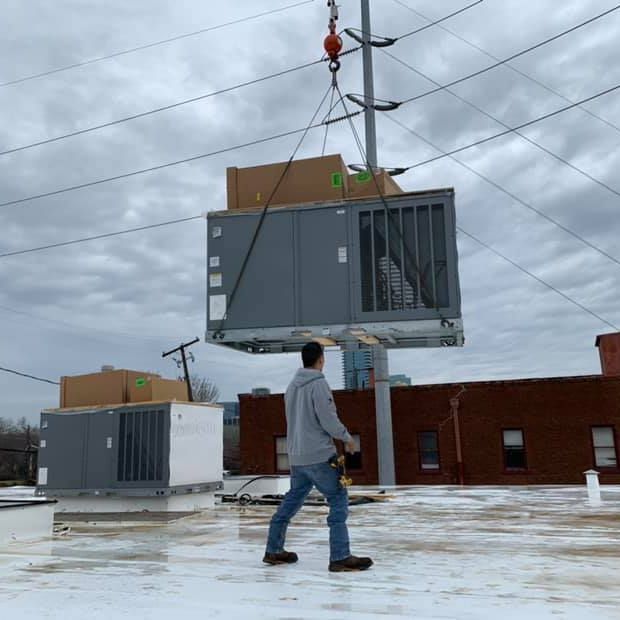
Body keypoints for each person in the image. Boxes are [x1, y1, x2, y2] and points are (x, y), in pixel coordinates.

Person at [263, 342, 373, 572]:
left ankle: (274, 549)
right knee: (338, 499)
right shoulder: (319, 384)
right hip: (320, 455)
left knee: (292, 501)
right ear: (321, 359)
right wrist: (347, 438)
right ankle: (340, 556)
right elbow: (328, 419)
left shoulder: (292, 387)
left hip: (297, 457)